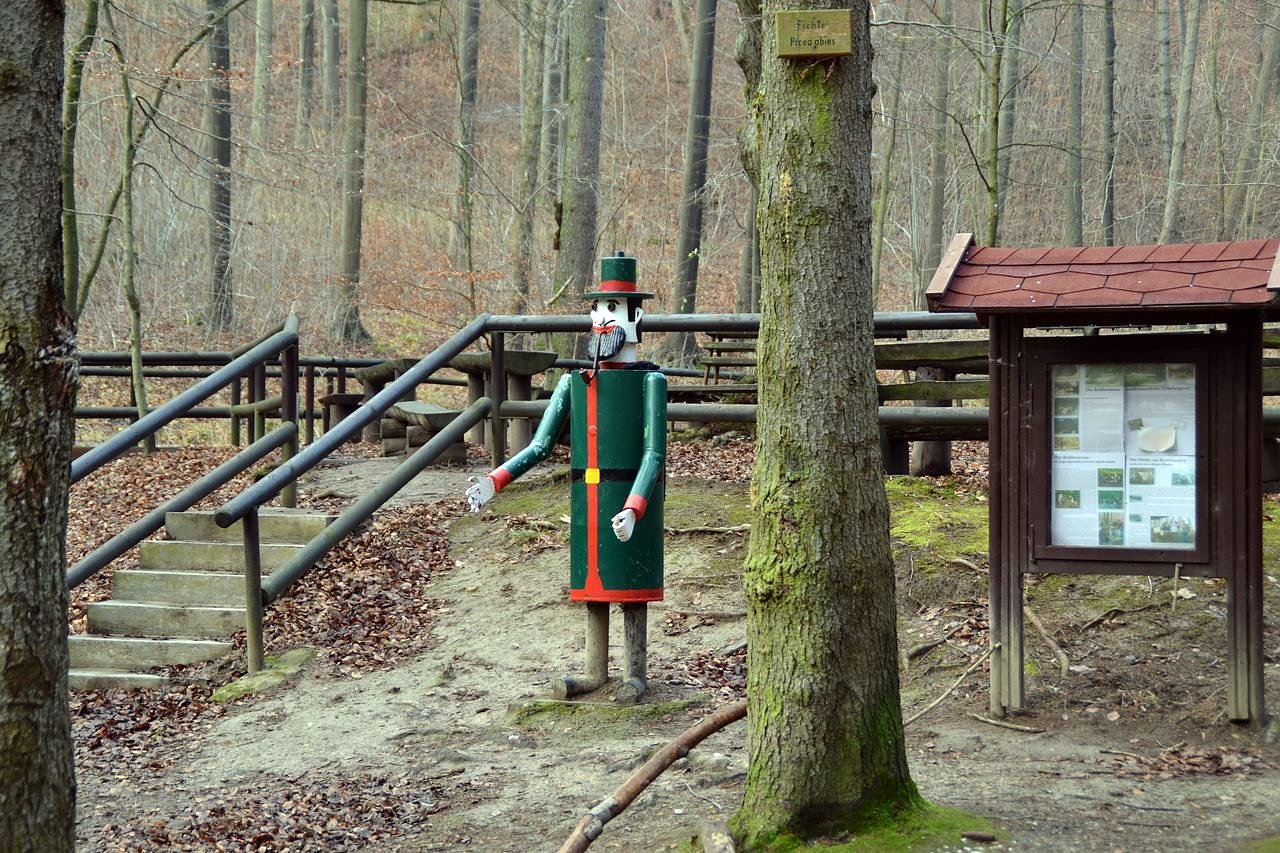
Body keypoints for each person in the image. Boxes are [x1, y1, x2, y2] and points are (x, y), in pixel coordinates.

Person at [465, 252, 666, 704]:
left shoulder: (649, 382)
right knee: (594, 582)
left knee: (631, 586)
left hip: (629, 499)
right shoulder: (573, 382)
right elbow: (540, 446)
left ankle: (635, 672)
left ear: (635, 318)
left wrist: (635, 506)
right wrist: (495, 481)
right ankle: (595, 672)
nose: (602, 320)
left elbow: (653, 453)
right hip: (588, 500)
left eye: (612, 309)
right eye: (596, 310)